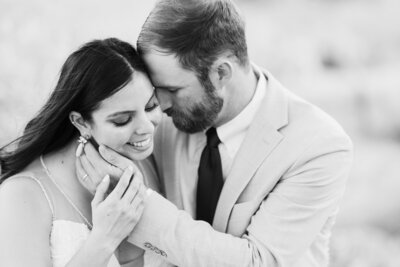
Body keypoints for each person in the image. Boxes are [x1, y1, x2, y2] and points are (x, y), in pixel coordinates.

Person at [78, 0, 354, 266]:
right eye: (156, 90)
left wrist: (138, 203)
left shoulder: (319, 146)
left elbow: (257, 262)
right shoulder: (156, 122)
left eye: (173, 90)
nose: (159, 107)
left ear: (221, 73)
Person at [0, 38, 162, 267]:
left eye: (151, 106)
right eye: (123, 120)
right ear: (81, 121)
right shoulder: (22, 195)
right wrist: (105, 239)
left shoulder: (144, 166)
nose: (147, 126)